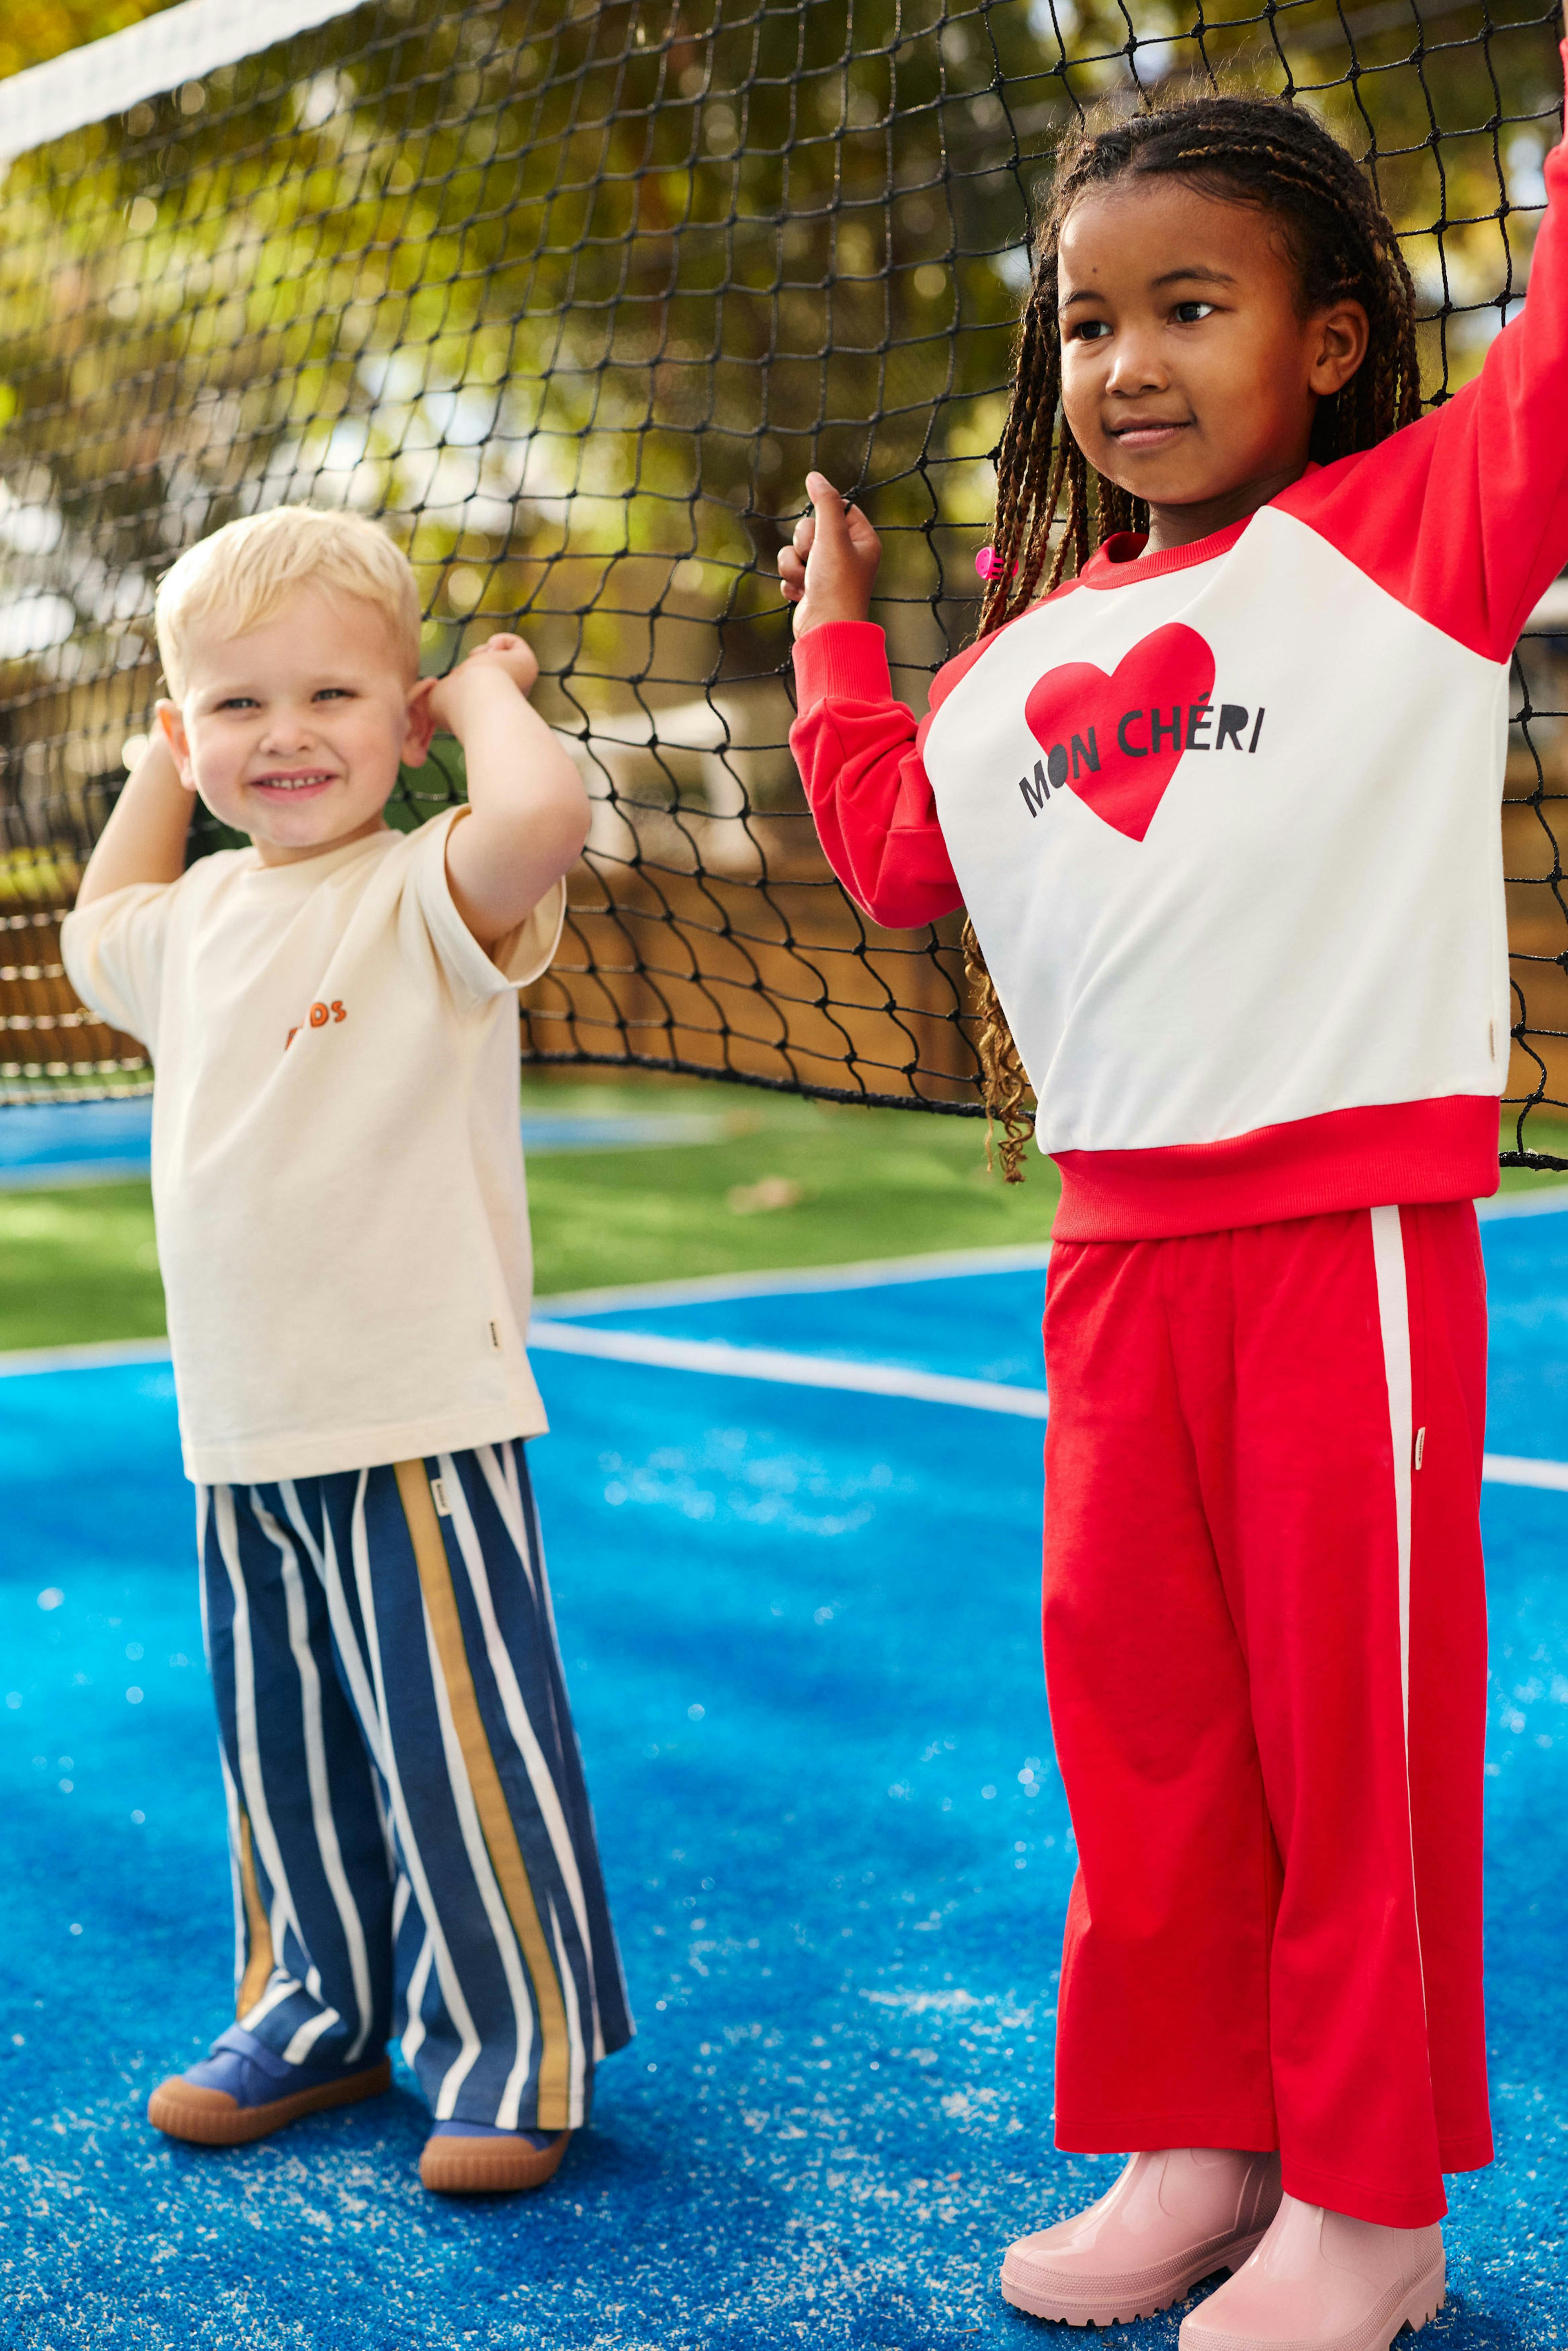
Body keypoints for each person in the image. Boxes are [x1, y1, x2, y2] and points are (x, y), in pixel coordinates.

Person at [781, 27, 1568, 2349]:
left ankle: (1370, 2209)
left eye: (1191, 307)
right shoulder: (1016, 664)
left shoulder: (1409, 535)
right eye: (1089, 322)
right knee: (1150, 1735)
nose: (1126, 362)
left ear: (1327, 341)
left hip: (1348, 1247)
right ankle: (1200, 2145)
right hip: (1113, 1267)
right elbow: (893, 853)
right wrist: (835, 625)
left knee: (1355, 1743)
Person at [61, 505, 632, 2196]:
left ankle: (510, 2049)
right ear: (187, 738)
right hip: (243, 1426)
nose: (287, 734)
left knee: (460, 1754)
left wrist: (483, 696)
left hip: (417, 1416)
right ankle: (318, 2005)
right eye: (238, 707)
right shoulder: (192, 920)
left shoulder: (425, 890)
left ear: (406, 719)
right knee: (284, 1751)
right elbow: (100, 923)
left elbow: (540, 815)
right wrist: (162, 758)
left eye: (332, 696)